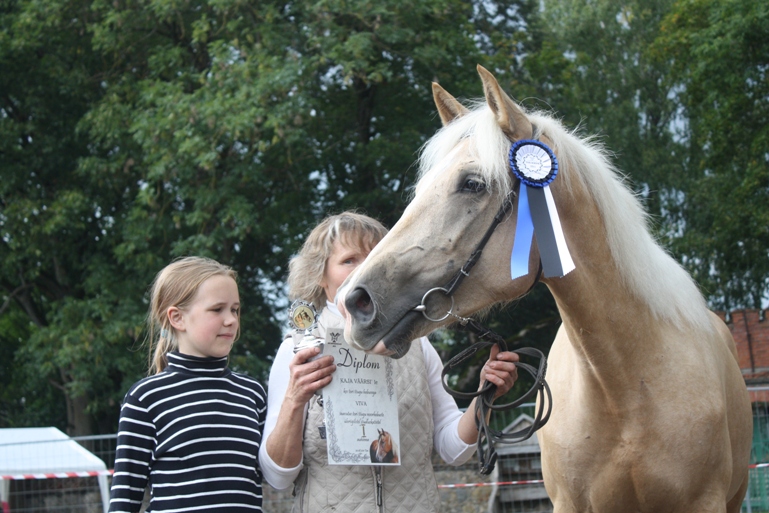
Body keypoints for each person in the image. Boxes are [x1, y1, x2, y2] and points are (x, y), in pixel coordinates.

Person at [258, 211, 519, 512]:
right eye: (349, 260)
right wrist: (294, 399)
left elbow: (454, 450)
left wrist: (484, 396)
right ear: (320, 274)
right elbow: (278, 476)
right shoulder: (297, 350)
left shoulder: (418, 345)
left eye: (375, 256)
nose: (366, 267)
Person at [108, 256, 267, 512]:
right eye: (217, 309)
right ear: (177, 318)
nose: (231, 320)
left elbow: (272, 475)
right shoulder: (146, 398)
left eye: (235, 309)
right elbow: (124, 498)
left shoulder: (253, 394)